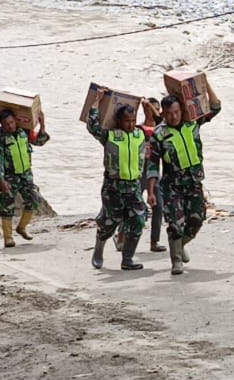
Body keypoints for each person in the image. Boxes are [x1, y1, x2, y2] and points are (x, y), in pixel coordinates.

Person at [148, 86, 222, 274]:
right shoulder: (159, 134)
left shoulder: (193, 124)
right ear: (163, 113)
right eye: (170, 114)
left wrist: (206, 83)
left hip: (194, 182)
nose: (174, 117)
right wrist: (150, 191)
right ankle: (176, 260)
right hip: (172, 185)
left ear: (182, 110)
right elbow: (153, 165)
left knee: (197, 219)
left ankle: (180, 246)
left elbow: (215, 107)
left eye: (177, 112)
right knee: (174, 223)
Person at [87, 99, 150, 271]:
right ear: (119, 121)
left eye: (133, 120)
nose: (130, 124)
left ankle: (127, 258)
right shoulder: (110, 136)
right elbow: (92, 127)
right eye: (127, 121)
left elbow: (157, 124)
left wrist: (147, 107)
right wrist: (97, 101)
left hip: (133, 187)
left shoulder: (141, 135)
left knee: (138, 220)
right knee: (110, 222)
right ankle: (99, 245)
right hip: (113, 187)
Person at [0, 108, 49, 249]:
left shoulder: (24, 132)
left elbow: (40, 142)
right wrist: (1, 181)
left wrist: (42, 124)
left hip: (26, 175)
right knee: (7, 207)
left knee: (34, 200)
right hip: (9, 177)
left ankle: (22, 227)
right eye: (7, 124)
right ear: (1, 124)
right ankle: (8, 238)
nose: (10, 126)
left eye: (12, 122)